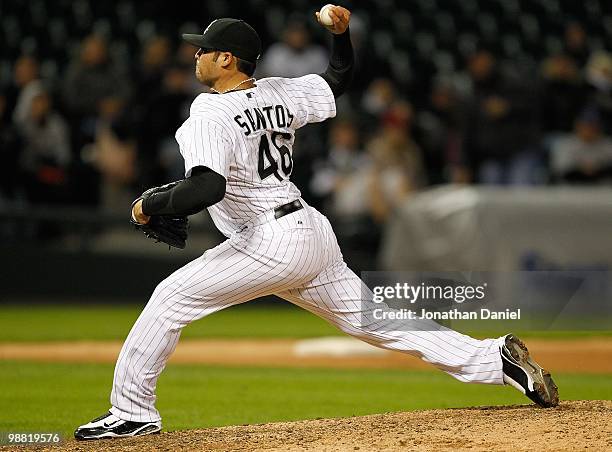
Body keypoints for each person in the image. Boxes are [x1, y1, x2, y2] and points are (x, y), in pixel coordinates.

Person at [75, 8, 558, 441]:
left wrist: (149, 203)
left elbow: (207, 188)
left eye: (204, 49)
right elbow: (338, 77)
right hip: (309, 231)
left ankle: (132, 411)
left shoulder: (209, 112)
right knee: (378, 322)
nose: (195, 55)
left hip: (270, 239)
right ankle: (494, 359)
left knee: (171, 298)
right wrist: (342, 37)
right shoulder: (279, 93)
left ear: (227, 60)